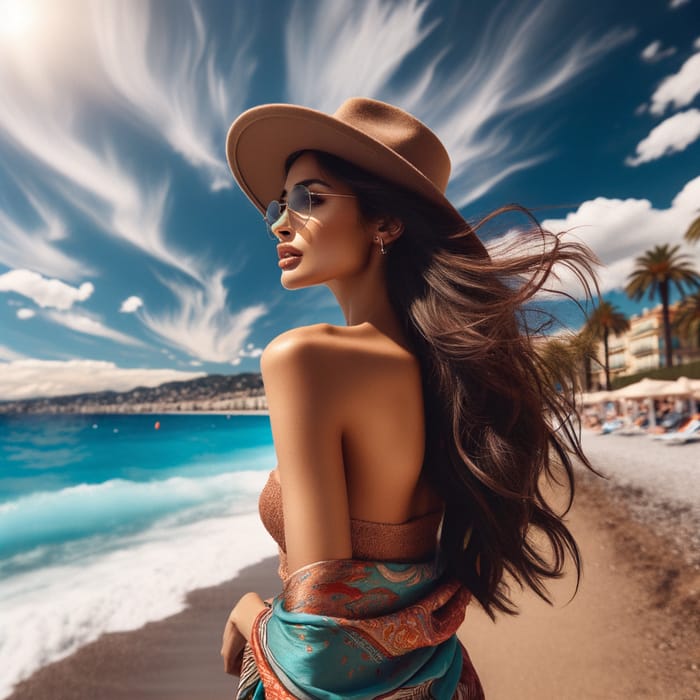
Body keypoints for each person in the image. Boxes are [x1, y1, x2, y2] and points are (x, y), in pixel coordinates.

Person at [220, 97, 600, 699]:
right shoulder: (446, 377)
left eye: (307, 199)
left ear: (385, 223)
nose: (279, 223)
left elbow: (320, 649)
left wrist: (249, 612)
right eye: (277, 204)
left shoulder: (306, 359)